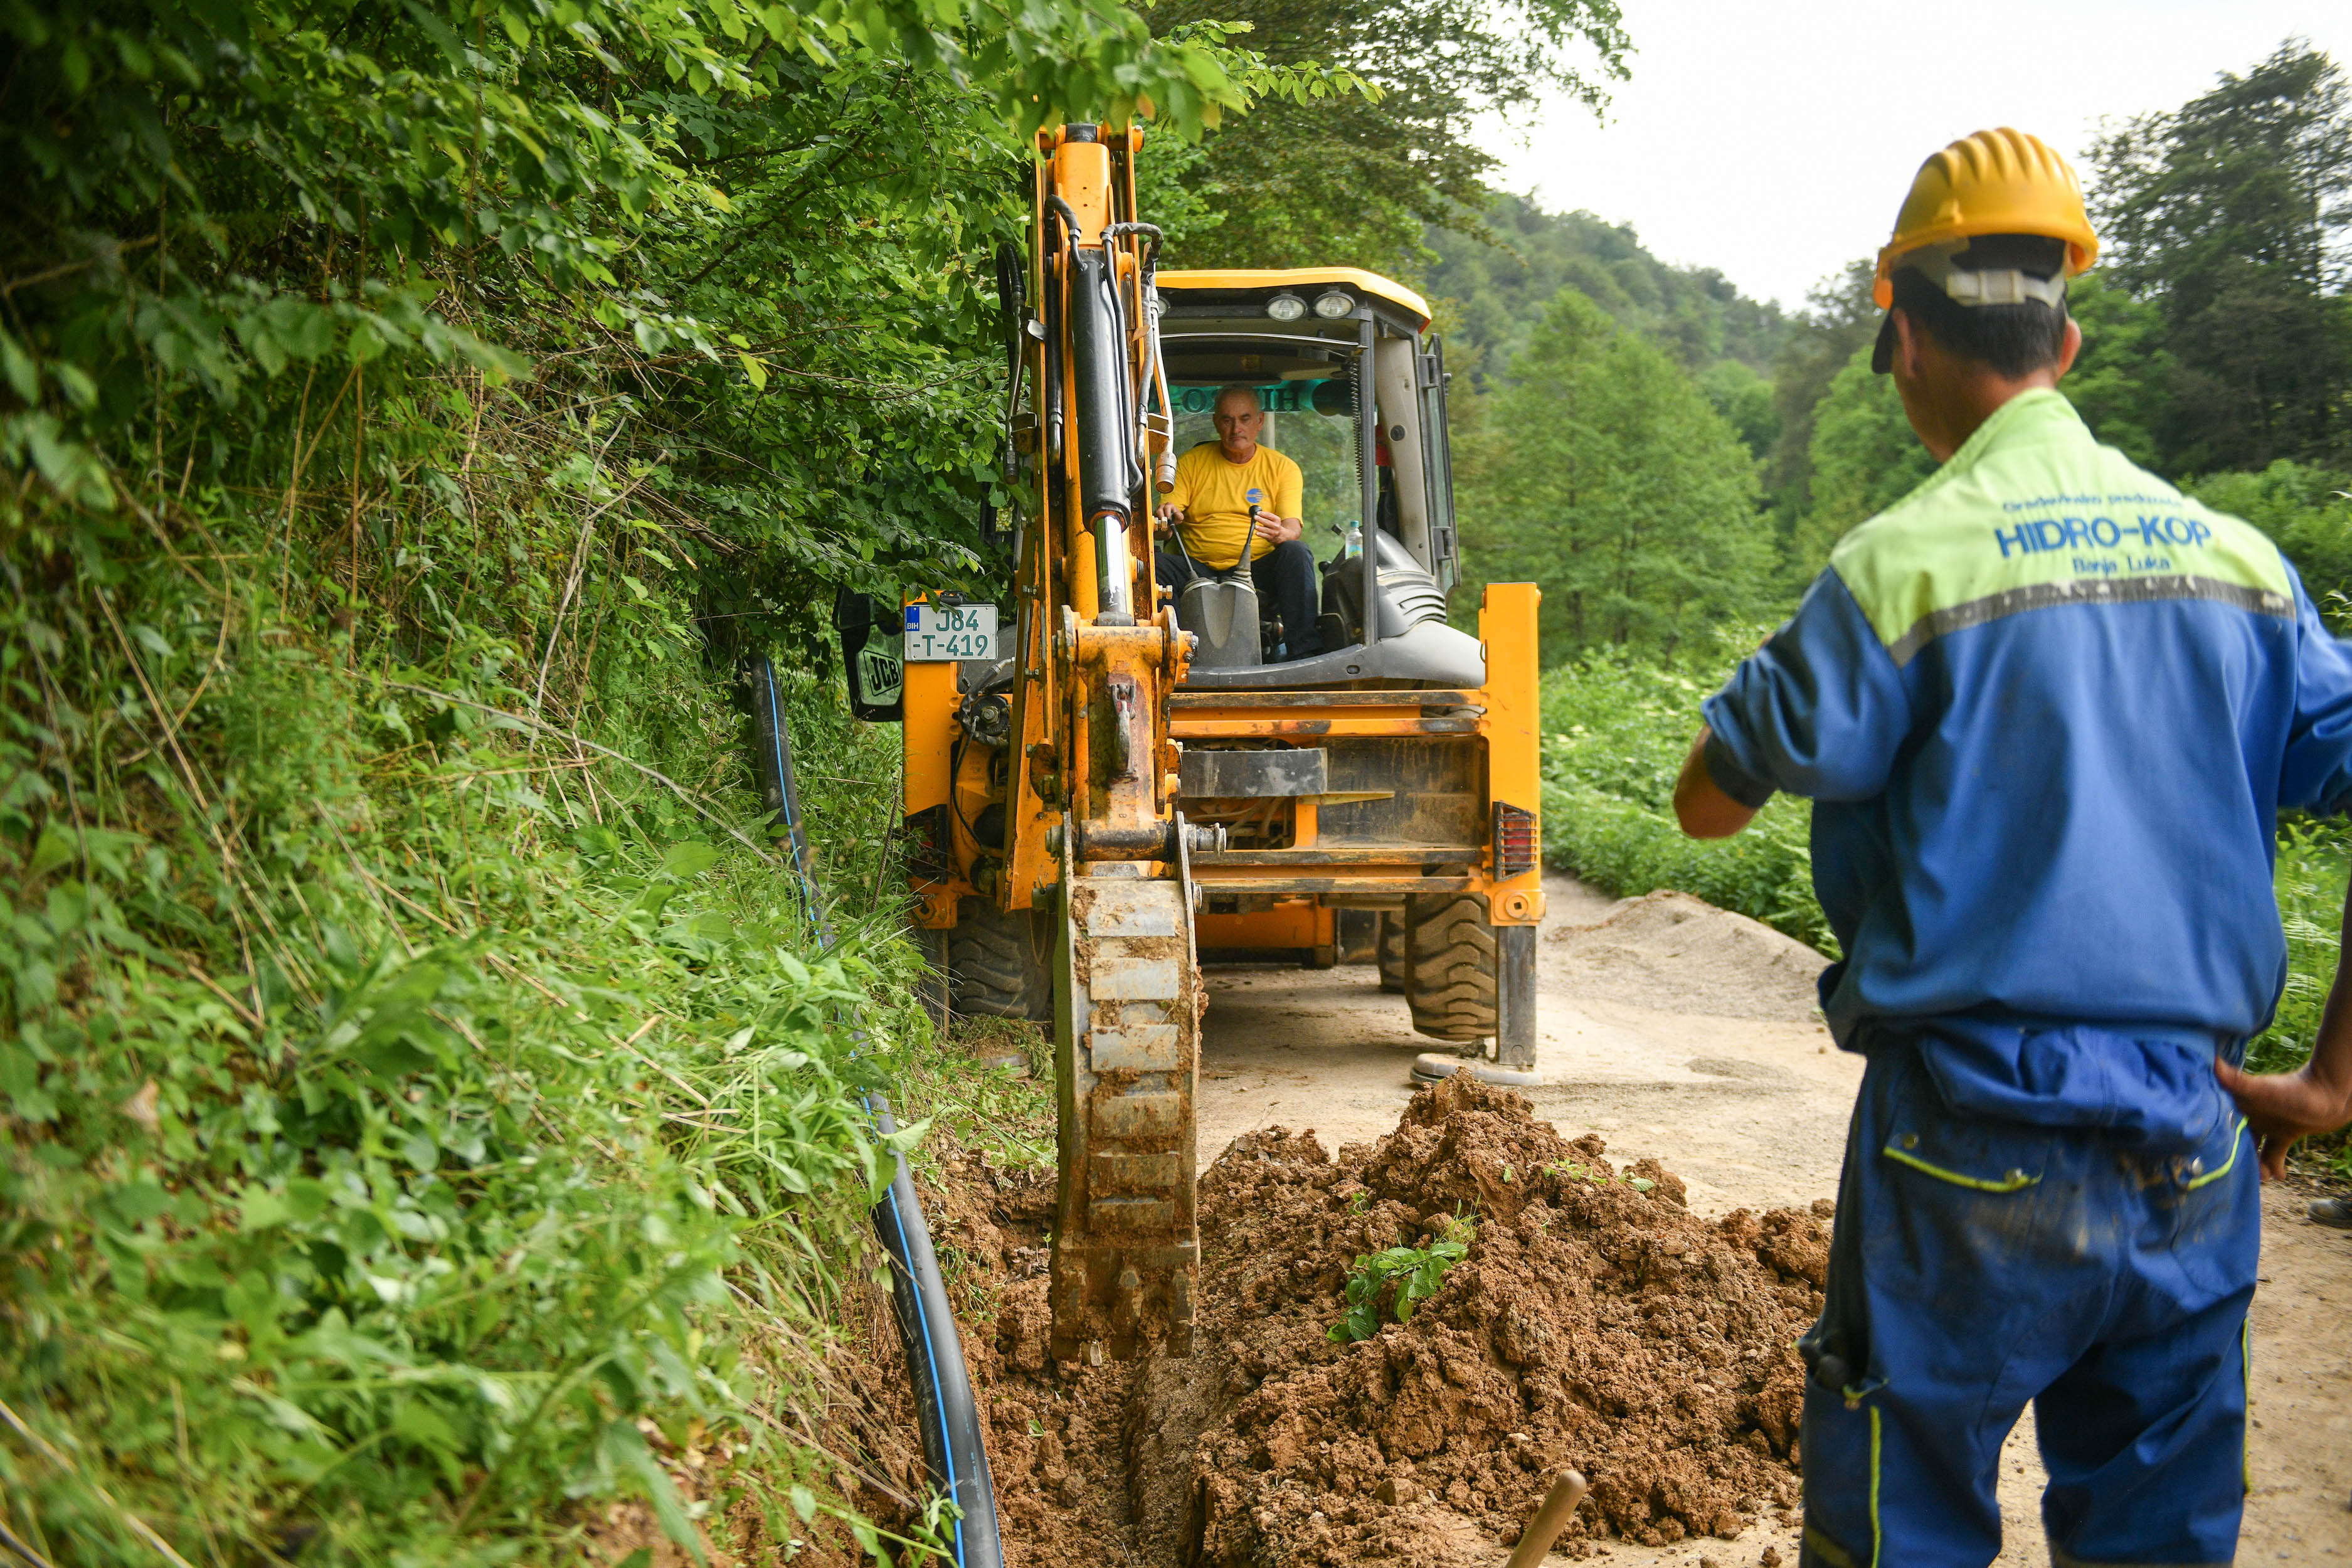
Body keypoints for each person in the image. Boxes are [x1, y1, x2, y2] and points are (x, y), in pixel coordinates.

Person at [1670, 127, 2352, 1567]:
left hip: (1962, 1137)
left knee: (1900, 1520)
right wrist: (2337, 1075)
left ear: (1902, 334)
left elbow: (1702, 805)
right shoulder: (2239, 567)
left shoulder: (1894, 567)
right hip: (2193, 1132)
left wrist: (1768, 695)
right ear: (2068, 334)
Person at [1154, 384, 1322, 660]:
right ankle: (1169, 655)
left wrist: (1282, 533)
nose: (1236, 429)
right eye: (1227, 420)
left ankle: (1306, 656)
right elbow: (1167, 517)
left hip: (1257, 572)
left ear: (1260, 422)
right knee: (1155, 564)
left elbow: (1293, 529)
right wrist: (1170, 514)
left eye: (1245, 419)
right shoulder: (1190, 463)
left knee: (1297, 552)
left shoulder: (1283, 468)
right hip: (1197, 568)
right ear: (1216, 423)